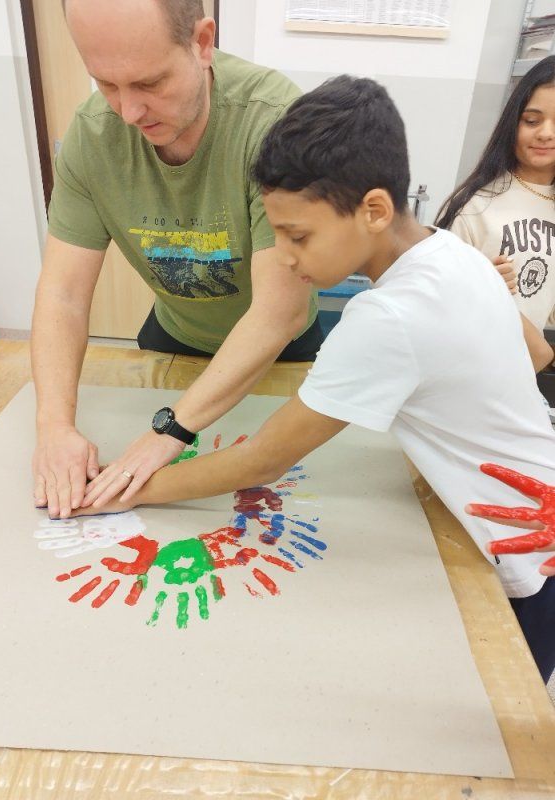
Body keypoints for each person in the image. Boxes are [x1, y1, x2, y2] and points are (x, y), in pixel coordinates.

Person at [72, 76, 555, 681]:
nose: (284, 254)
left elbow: (261, 461)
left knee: (499, 707)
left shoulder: (386, 317)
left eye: (297, 236)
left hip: (522, 548)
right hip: (539, 493)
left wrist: (127, 492)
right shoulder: (450, 251)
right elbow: (537, 352)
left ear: (374, 211)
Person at [31, 0, 321, 521]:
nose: (128, 112)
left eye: (149, 83)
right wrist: (54, 426)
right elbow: (63, 295)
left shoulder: (276, 123)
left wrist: (170, 430)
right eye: (106, 83)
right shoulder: (93, 136)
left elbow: (278, 313)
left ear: (203, 43)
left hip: (283, 351)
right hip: (175, 336)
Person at [436, 56, 555, 374]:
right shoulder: (475, 205)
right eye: (532, 121)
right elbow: (432, 296)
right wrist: (479, 282)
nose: (545, 133)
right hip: (463, 370)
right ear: (512, 123)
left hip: (521, 374)